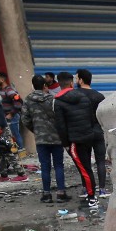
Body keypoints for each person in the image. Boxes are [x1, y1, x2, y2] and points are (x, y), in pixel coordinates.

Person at [54, 69, 106, 207]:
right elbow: (90, 117)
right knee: (91, 165)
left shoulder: (58, 102)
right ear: (71, 82)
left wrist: (65, 143)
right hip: (88, 135)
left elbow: (61, 126)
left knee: (84, 168)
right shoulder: (83, 97)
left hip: (75, 140)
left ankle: (91, 197)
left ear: (59, 84)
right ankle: (96, 192)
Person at [21, 74, 68, 203]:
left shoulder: (28, 100)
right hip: (56, 137)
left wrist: (36, 130)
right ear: (44, 86)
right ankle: (61, 193)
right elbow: (60, 117)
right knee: (59, 165)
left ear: (33, 86)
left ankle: (46, 194)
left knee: (45, 166)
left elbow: (25, 119)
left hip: (41, 139)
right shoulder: (52, 99)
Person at [0, 71, 23, 148]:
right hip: (5, 118)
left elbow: (19, 102)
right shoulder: (0, 91)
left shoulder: (9, 90)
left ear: (2, 80)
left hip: (12, 118)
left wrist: (11, 114)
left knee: (15, 135)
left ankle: (21, 153)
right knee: (10, 136)